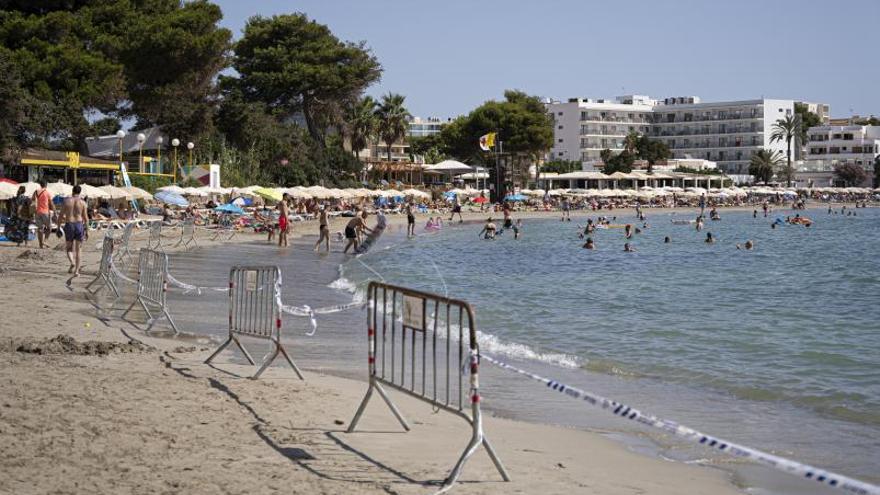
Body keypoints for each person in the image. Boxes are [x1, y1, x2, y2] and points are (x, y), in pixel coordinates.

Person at [59, 185, 89, 276]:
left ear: (72, 191)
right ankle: (76, 271)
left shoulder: (67, 201)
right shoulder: (83, 203)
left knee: (69, 248)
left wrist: (58, 226)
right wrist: (87, 230)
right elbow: (86, 218)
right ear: (80, 192)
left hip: (69, 224)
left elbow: (60, 215)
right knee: (79, 249)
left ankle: (72, 262)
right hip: (79, 225)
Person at [32, 179, 54, 249]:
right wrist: (54, 211)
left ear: (40, 185)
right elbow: (51, 203)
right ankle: (45, 240)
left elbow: (32, 199)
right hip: (45, 212)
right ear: (46, 184)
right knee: (49, 227)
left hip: (38, 212)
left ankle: (40, 245)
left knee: (40, 229)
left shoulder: (36, 192)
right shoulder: (47, 192)